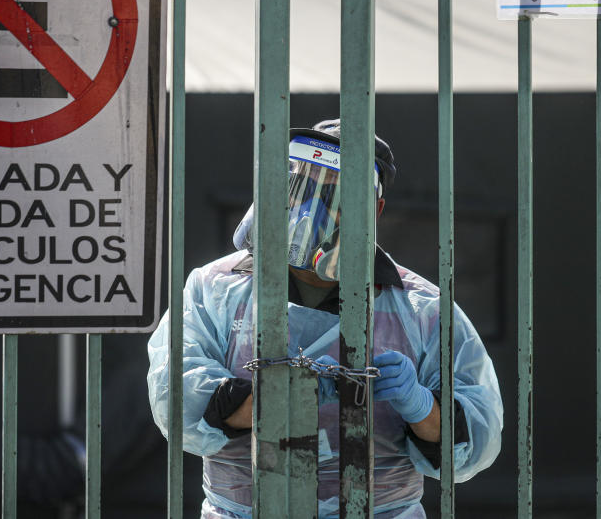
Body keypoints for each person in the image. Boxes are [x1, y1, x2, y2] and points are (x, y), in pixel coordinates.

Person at [148, 119, 503, 518]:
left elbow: (475, 440)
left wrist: (420, 406)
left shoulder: (422, 309)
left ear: (376, 209)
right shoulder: (215, 289)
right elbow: (175, 399)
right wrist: (279, 399)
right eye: (303, 187)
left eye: (335, 196)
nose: (311, 210)